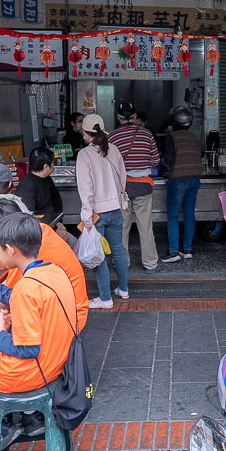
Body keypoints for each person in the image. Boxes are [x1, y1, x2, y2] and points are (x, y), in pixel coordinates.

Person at [0, 213, 79, 451]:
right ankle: (30, 417)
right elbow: (20, 296)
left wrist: (0, 331)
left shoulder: (27, 288)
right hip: (57, 364)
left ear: (11, 249)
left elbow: (27, 349)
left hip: (32, 371)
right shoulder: (52, 272)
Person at [0, 196, 89, 331]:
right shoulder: (38, 232)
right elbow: (5, 266)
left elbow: (8, 301)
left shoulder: (25, 253)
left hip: (61, 323)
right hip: (68, 310)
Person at [75, 113, 129, 309]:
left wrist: (86, 216)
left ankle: (105, 298)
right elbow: (123, 178)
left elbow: (86, 189)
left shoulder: (84, 155)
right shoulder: (114, 149)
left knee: (98, 254)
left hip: (97, 213)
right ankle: (123, 290)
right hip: (115, 209)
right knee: (118, 251)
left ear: (86, 133)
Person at [109, 102, 160, 273]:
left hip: (122, 188)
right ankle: (150, 263)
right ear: (135, 116)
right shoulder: (147, 135)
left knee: (122, 226)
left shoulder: (113, 137)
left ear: (118, 116)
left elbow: (109, 163)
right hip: (143, 186)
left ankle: (122, 262)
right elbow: (155, 161)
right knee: (145, 226)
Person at [162, 105, 202, 264]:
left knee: (172, 216)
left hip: (178, 180)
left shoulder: (172, 137)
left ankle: (173, 252)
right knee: (189, 214)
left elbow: (168, 160)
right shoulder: (194, 137)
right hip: (195, 179)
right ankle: (188, 249)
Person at [16, 147, 63, 222]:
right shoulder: (27, 187)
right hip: (41, 228)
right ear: (46, 166)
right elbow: (29, 217)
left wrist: (59, 222)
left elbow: (56, 199)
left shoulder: (47, 178)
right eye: (53, 162)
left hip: (53, 222)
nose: (54, 165)